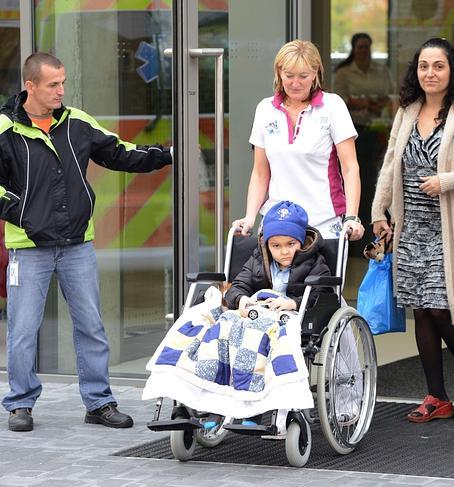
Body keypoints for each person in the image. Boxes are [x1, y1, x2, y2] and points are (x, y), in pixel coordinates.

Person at [0, 52, 173, 432]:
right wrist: (21, 214)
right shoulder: (5, 129)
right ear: (30, 86)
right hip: (28, 247)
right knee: (24, 329)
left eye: (63, 83)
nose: (61, 90)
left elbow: (119, 153)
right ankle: (20, 403)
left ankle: (99, 403)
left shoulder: (76, 122)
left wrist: (166, 155)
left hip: (78, 244)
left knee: (91, 326)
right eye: (53, 85)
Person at [371, 38, 454, 423]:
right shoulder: (407, 111)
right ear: (416, 71)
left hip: (450, 229)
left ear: (451, 70)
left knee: (443, 308)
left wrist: (448, 181)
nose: (430, 73)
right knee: (421, 312)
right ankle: (435, 396)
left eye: (438, 66)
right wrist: (379, 211)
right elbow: (391, 165)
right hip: (412, 228)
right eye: (424, 66)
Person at [142, 201, 330, 434]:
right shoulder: (258, 260)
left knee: (252, 342)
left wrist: (292, 302)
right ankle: (206, 405)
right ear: (267, 244)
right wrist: (241, 301)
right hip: (251, 314)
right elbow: (237, 287)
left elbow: (322, 296)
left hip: (287, 317)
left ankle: (254, 410)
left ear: (302, 242)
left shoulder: (315, 264)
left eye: (291, 244)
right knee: (216, 334)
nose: (284, 251)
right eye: (276, 245)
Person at [233, 40, 364, 242]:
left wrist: (352, 217)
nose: (295, 83)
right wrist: (250, 217)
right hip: (277, 224)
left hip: (324, 224)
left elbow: (350, 168)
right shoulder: (265, 109)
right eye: (289, 75)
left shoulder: (333, 106)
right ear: (279, 72)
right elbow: (260, 173)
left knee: (321, 275)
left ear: (315, 73)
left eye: (303, 76)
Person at [333, 33, 394, 244]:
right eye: (359, 47)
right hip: (353, 134)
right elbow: (339, 101)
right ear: (353, 49)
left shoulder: (381, 71)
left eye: (367, 47)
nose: (363, 51)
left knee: (378, 180)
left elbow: (391, 95)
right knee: (360, 179)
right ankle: (355, 236)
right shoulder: (343, 72)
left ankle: (376, 232)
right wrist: (364, 103)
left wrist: (375, 103)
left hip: (379, 130)